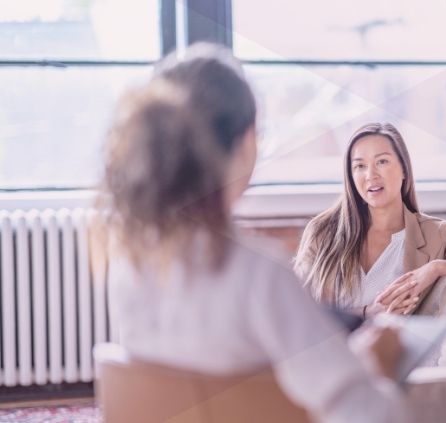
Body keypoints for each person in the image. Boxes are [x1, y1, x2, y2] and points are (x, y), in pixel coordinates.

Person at [98, 44, 407, 423]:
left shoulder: (129, 259)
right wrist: (376, 368)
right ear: (246, 143)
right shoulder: (259, 272)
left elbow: (208, 376)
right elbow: (369, 415)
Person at [294, 123, 446, 317]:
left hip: (396, 366)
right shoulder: (322, 232)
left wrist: (437, 267)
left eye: (382, 162)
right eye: (360, 166)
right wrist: (368, 313)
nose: (370, 175)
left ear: (404, 169)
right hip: (328, 362)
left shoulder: (433, 235)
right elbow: (294, 311)